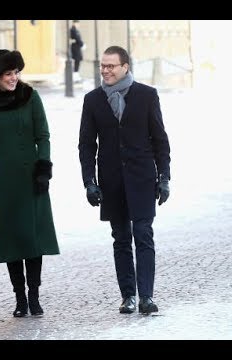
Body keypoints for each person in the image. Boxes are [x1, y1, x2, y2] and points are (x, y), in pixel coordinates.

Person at [78, 45, 171, 315]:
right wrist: (89, 181)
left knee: (143, 235)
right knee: (120, 238)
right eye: (103, 66)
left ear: (125, 67)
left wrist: (164, 177)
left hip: (142, 178)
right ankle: (128, 296)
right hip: (111, 181)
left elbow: (160, 140)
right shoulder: (93, 100)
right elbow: (86, 145)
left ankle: (147, 297)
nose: (105, 70)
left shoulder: (146, 95)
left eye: (111, 66)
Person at [0, 49, 60, 318]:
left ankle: (34, 295)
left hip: (32, 179)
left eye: (16, 73)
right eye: (8, 74)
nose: (14, 78)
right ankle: (20, 298)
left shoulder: (30, 96)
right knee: (11, 242)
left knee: (32, 239)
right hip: (5, 182)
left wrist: (43, 170)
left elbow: (43, 136)